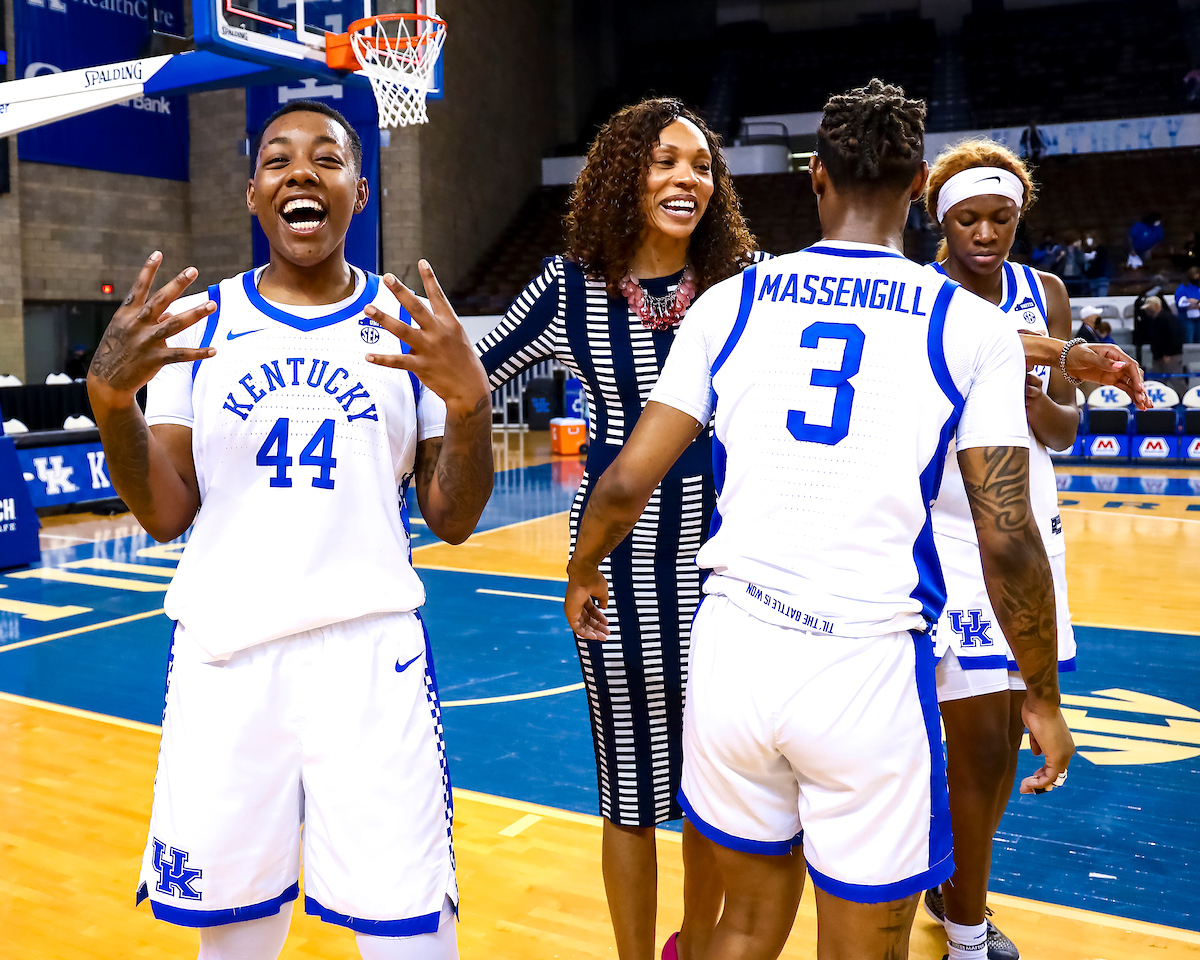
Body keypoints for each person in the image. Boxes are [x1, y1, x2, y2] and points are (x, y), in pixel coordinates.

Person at [565, 79, 1076, 960]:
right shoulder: (971, 326)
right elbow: (1008, 533)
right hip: (863, 665)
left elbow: (621, 482)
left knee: (748, 921)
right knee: (860, 940)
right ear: (919, 186)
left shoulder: (733, 300)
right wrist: (1039, 690)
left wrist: (581, 570)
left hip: (733, 652)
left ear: (816, 181)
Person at [86, 100, 494, 960]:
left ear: (359, 190)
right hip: (230, 660)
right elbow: (165, 512)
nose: (300, 172)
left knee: (413, 937)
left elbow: (452, 518)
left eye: (325, 159)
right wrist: (112, 402)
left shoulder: (406, 321)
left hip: (370, 656)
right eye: (277, 160)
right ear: (251, 194)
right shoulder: (199, 324)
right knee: (234, 937)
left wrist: (469, 406)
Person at [474, 97, 763, 960]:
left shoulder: (748, 282)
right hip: (616, 569)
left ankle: (699, 947)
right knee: (629, 789)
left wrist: (1039, 352)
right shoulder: (569, 287)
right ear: (621, 175)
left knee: (719, 791)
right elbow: (471, 374)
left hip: (731, 568)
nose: (687, 179)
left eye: (702, 166)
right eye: (665, 161)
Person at [922, 139, 1097, 960]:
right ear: (941, 219)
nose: (985, 233)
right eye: (968, 219)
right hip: (944, 531)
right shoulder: (918, 295)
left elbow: (1062, 429)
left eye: (1000, 218)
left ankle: (952, 883)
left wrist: (1024, 385)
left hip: (1025, 526)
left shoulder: (1046, 294)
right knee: (983, 742)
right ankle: (966, 925)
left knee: (995, 759)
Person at [1144, 295, 1185, 376]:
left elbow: (1175, 337)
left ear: (1156, 306)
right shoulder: (1152, 320)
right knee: (1157, 381)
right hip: (1158, 356)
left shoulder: (1169, 319)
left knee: (1176, 380)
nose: (1147, 310)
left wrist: (1169, 354)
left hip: (1171, 356)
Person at [1175, 265, 1200, 342]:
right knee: (1189, 339)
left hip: (1199, 316)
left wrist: (1197, 303)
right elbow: (1179, 302)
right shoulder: (1182, 288)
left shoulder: (1198, 287)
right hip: (1187, 317)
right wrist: (1189, 302)